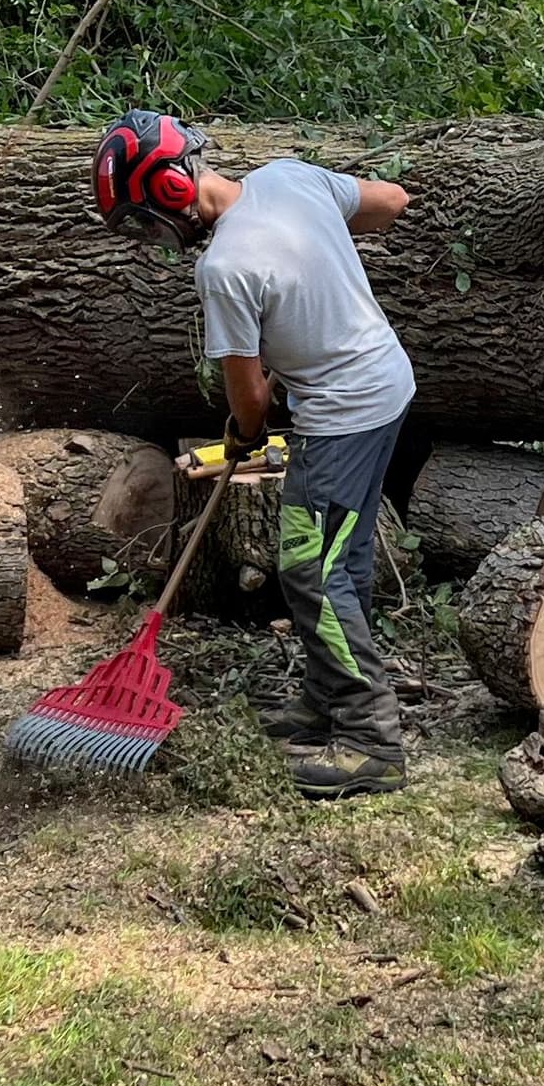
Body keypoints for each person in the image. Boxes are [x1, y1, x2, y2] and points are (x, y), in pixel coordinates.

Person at [91, 113, 418, 797]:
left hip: (344, 416)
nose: (154, 238)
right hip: (386, 384)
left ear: (174, 192)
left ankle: (371, 740)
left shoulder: (225, 268)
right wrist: (319, 260)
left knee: (308, 571)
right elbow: (392, 202)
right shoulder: (290, 178)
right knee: (340, 561)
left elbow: (250, 406)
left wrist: (241, 434)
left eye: (147, 221)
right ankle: (328, 701)